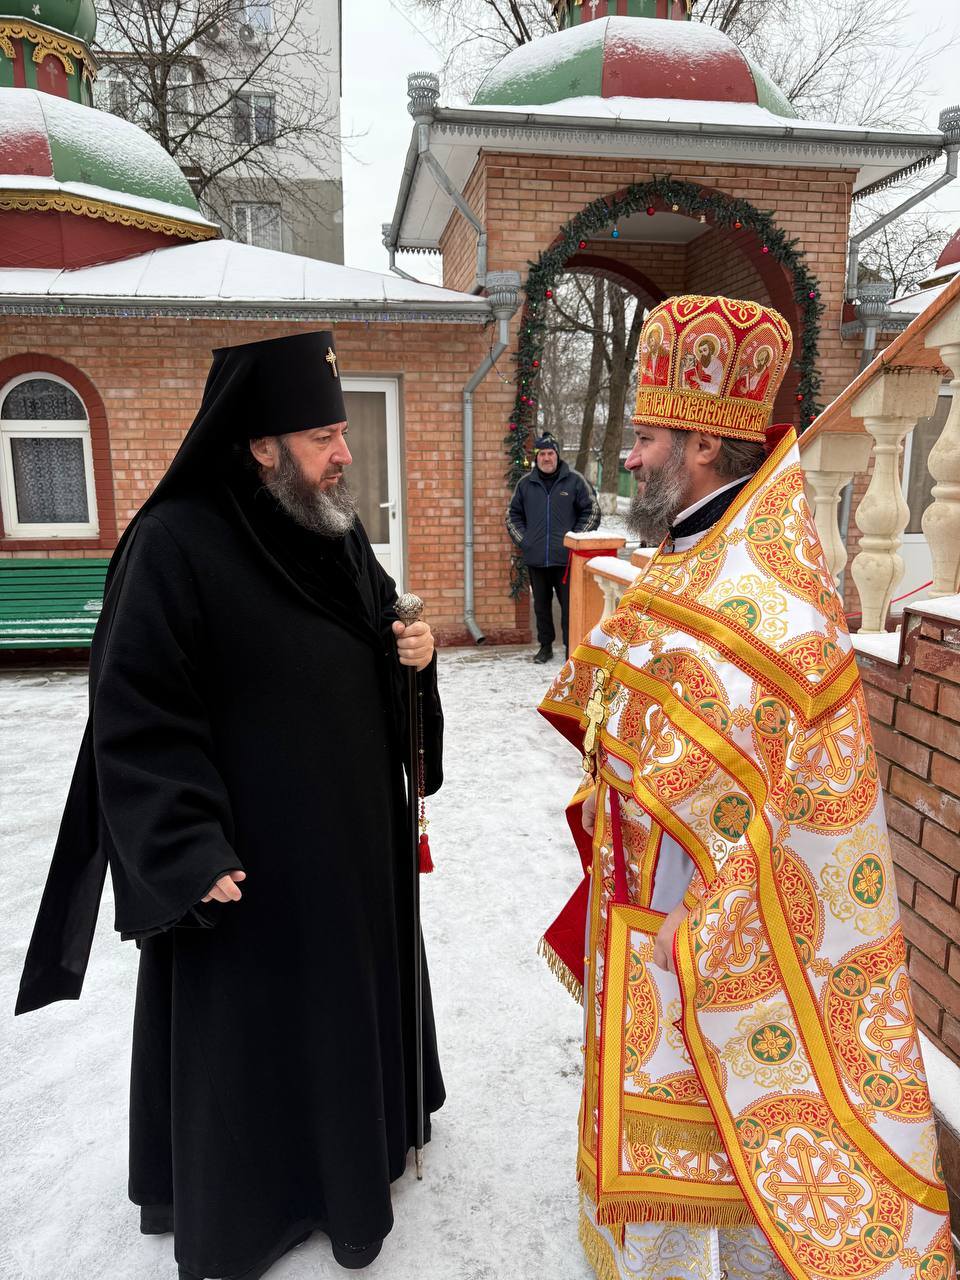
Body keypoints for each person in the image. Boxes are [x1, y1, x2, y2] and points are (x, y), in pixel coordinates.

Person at [537, 296, 956, 1280]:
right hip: (648, 892)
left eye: (646, 438)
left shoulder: (772, 598)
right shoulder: (691, 554)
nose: (629, 457)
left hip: (713, 923)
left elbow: (778, 798)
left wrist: (695, 907)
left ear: (704, 446)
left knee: (709, 1119)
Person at [16, 331, 446, 1280]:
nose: (344, 454)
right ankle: (261, 1206)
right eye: (324, 436)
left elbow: (378, 628)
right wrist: (184, 845)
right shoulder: (173, 544)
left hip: (349, 851)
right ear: (260, 445)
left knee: (341, 1018)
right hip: (248, 864)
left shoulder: (333, 530)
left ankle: (356, 1165)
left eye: (342, 433)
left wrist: (411, 657)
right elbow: (136, 708)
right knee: (254, 1046)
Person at [506, 432, 600, 663]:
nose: (546, 458)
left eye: (550, 453)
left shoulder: (575, 481)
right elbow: (512, 516)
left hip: (567, 560)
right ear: (536, 457)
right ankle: (545, 647)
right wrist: (526, 541)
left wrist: (574, 540)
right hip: (537, 559)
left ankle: (571, 648)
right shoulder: (525, 484)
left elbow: (592, 511)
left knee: (570, 607)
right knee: (541, 607)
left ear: (557, 455)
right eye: (542, 454)